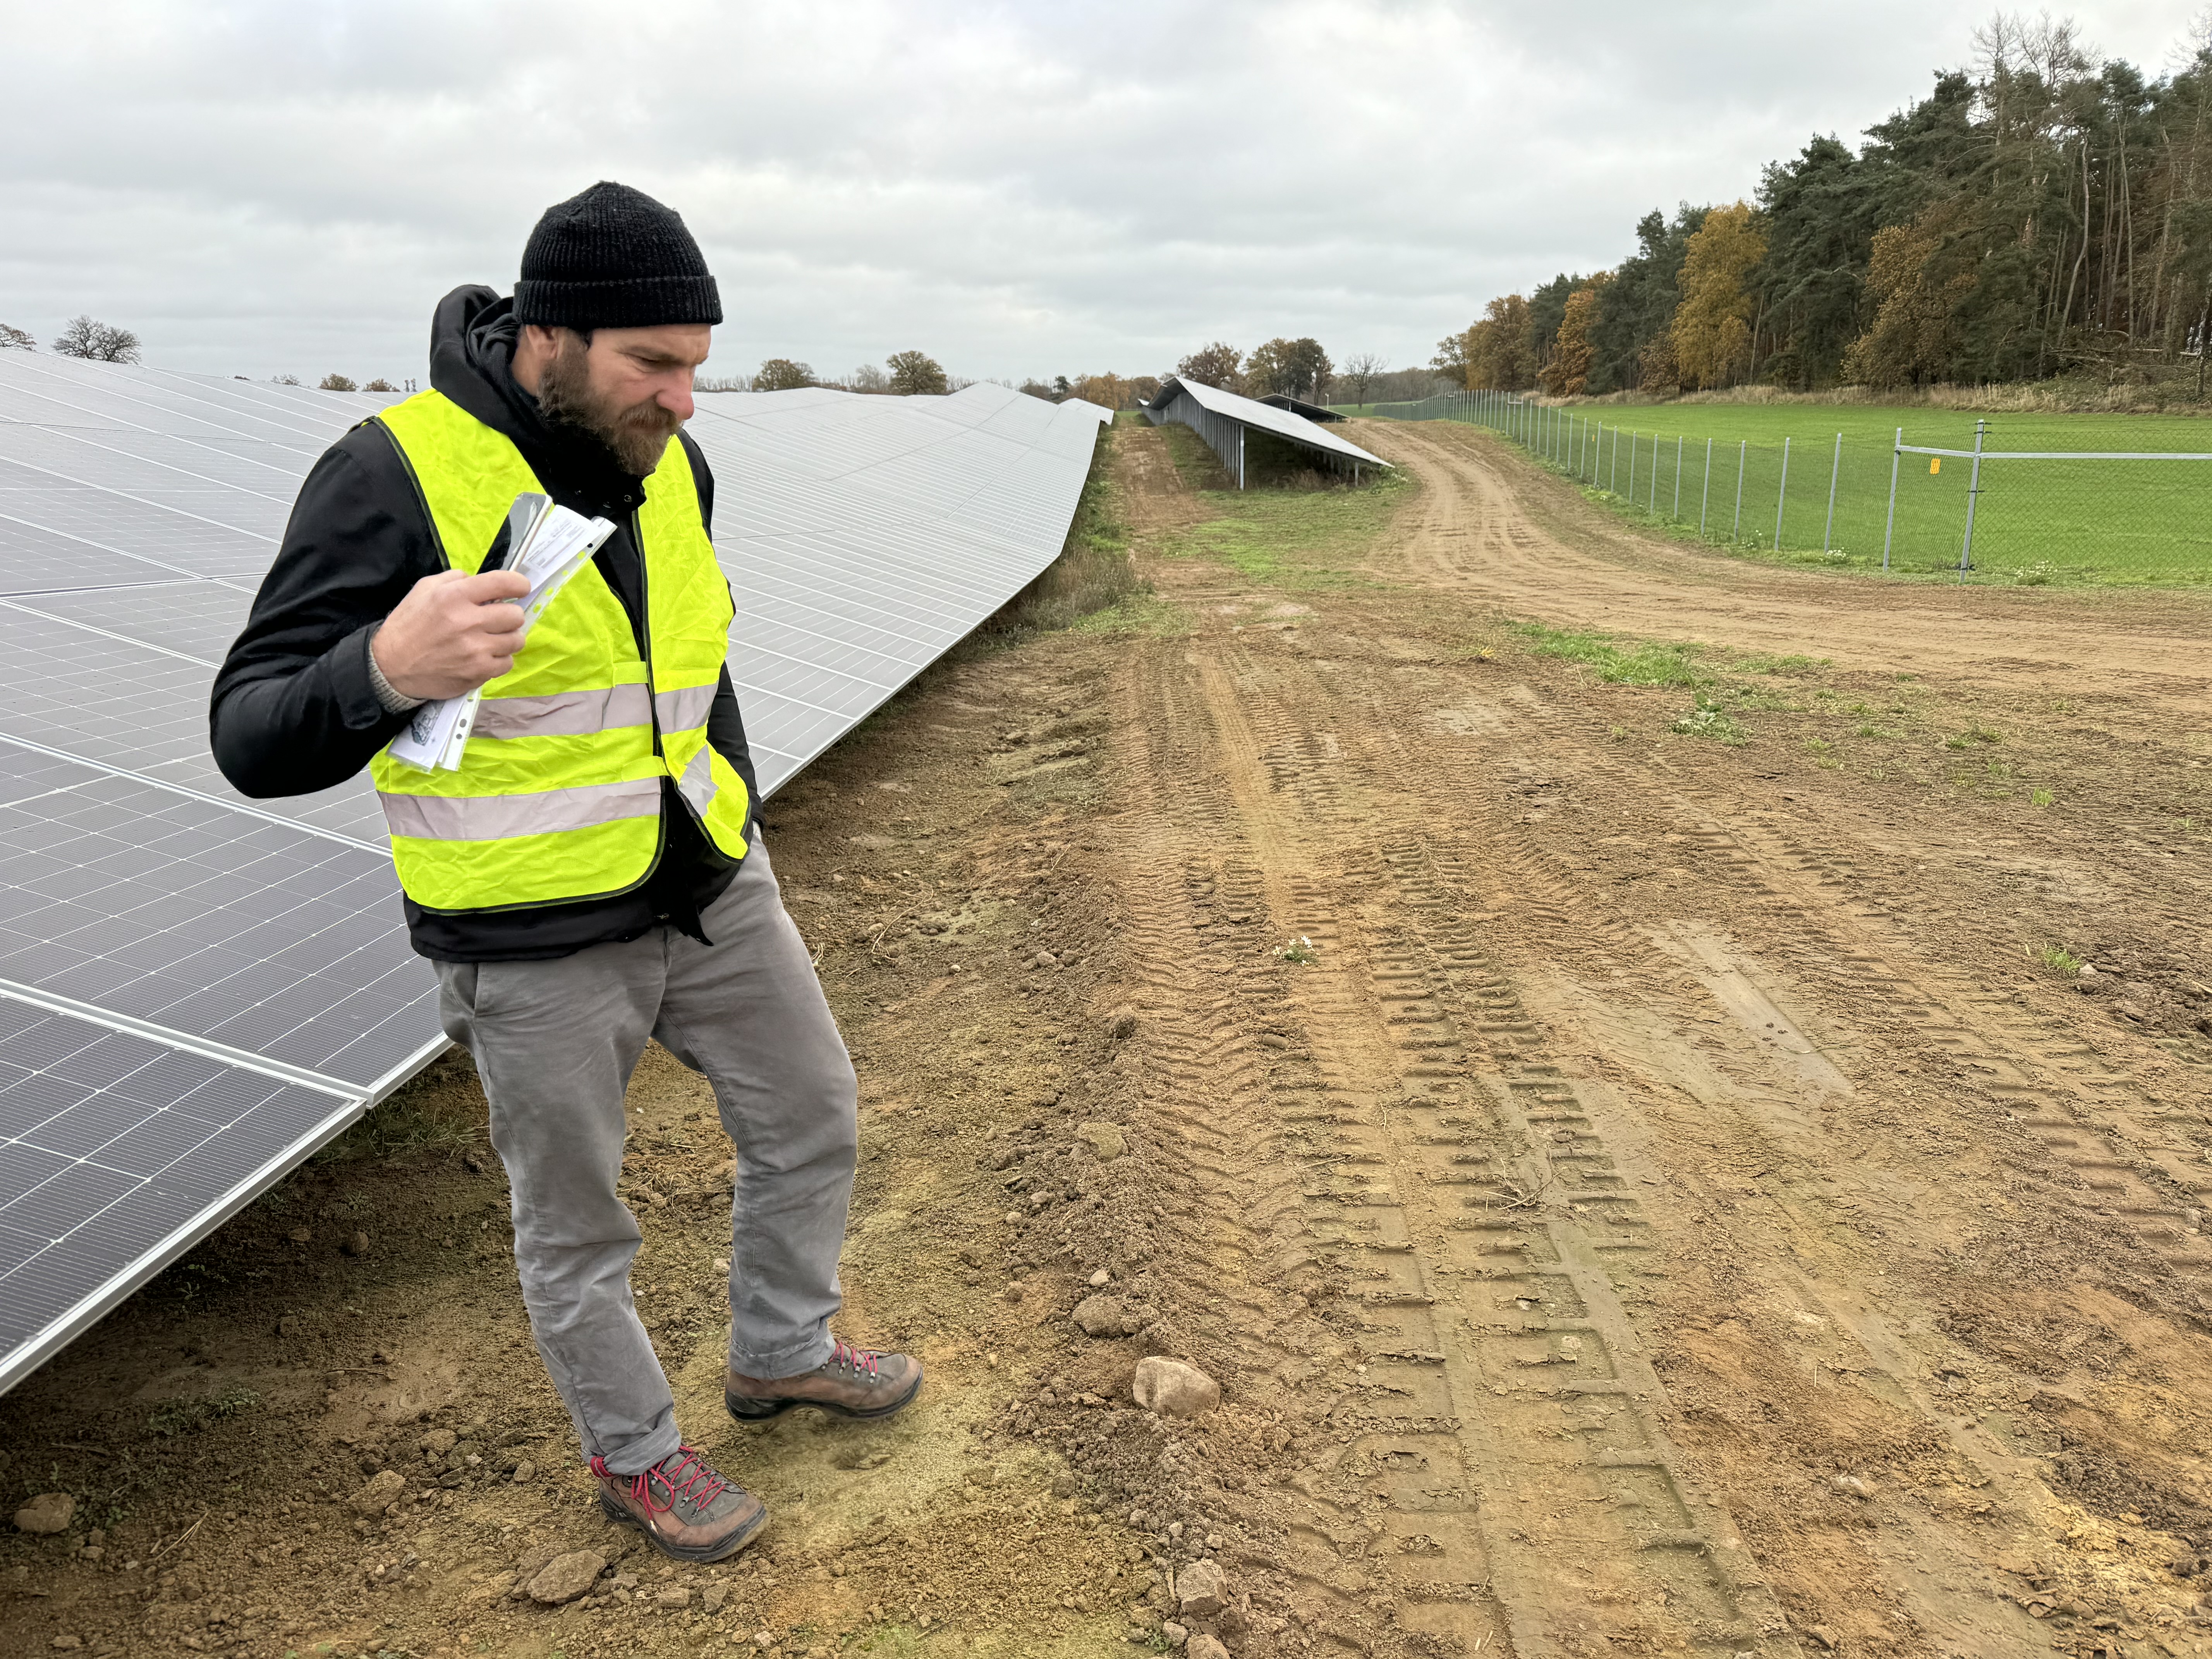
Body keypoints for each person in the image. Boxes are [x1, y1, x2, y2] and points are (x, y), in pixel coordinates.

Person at [211, 181, 920, 1563]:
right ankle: (636, 1453)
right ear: (547, 336)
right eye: (652, 364)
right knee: (578, 1224)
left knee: (814, 1114)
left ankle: (780, 1348)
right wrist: (379, 669)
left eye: (696, 366)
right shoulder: (392, 473)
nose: (684, 398)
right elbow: (248, 731)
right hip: (533, 944)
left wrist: (740, 823)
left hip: (710, 890)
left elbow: (691, 669)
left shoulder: (676, 466)